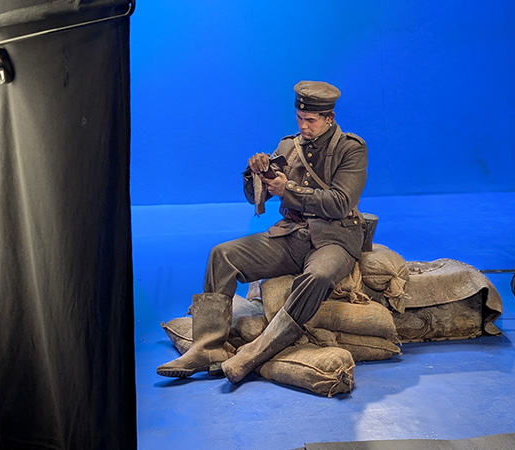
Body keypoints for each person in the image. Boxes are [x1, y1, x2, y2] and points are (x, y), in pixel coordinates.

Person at [156, 80, 368, 384]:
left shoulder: (351, 149)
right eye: (299, 118)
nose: (303, 126)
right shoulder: (288, 146)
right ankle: (208, 347)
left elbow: (339, 203)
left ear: (329, 118)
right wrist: (255, 173)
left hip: (335, 238)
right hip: (291, 234)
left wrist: (288, 189)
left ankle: (258, 350)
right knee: (223, 255)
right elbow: (256, 198)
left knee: (318, 276)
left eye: (310, 121)